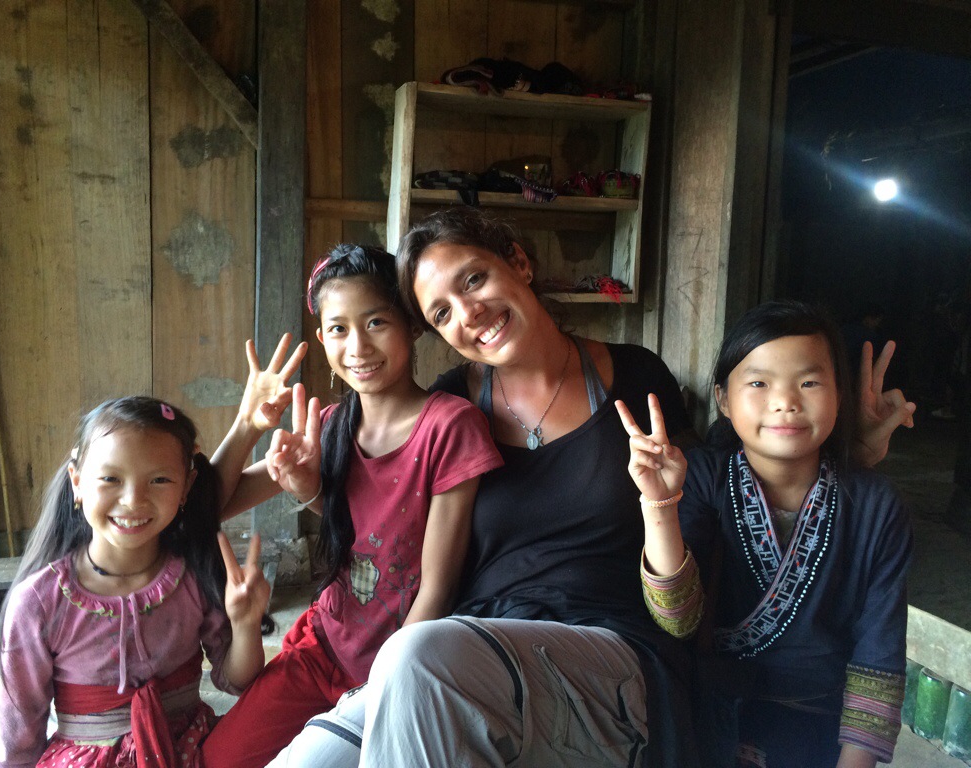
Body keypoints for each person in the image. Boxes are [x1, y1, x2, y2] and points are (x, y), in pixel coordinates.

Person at [283, 208, 916, 768]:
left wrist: (845, 449)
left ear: (518, 262)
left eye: (473, 279)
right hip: (472, 651)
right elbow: (393, 536)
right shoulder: (448, 409)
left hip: (610, 653)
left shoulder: (635, 377)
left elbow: (722, 474)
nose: (468, 313)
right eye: (441, 312)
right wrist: (315, 492)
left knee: (414, 657)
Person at [200, 243, 502, 768]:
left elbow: (437, 587)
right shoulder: (330, 427)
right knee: (219, 761)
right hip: (323, 648)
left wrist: (388, 689)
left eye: (376, 322)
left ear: (411, 325)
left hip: (398, 664)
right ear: (322, 339)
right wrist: (249, 425)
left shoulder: (450, 427)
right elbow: (212, 506)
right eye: (339, 329)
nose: (358, 346)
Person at [622, 300, 914, 768]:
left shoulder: (876, 505)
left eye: (810, 382)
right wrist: (659, 504)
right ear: (723, 399)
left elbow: (878, 654)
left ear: (840, 395)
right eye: (759, 383)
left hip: (818, 721)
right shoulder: (701, 479)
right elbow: (678, 620)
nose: (786, 402)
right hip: (708, 715)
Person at [0, 396, 271, 768]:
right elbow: (19, 728)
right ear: (77, 481)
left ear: (186, 487)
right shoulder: (39, 601)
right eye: (111, 479)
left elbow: (236, 681)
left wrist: (246, 624)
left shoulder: (193, 576)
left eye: (159, 480)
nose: (133, 500)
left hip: (190, 752)